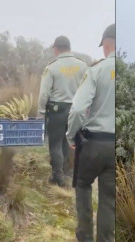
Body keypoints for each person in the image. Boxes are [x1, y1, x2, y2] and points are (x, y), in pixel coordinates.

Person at [66, 23, 115, 242]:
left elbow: (77, 109)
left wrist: (71, 135)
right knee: (109, 200)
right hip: (117, 146)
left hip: (93, 143)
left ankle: (84, 236)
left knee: (84, 185)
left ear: (106, 44)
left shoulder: (97, 70)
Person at [37, 35, 87, 187]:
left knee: (56, 144)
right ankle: (67, 171)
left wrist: (41, 111)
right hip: (77, 110)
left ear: (56, 49)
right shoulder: (83, 66)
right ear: (69, 48)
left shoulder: (52, 67)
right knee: (69, 141)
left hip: (57, 110)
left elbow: (44, 93)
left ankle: (58, 176)